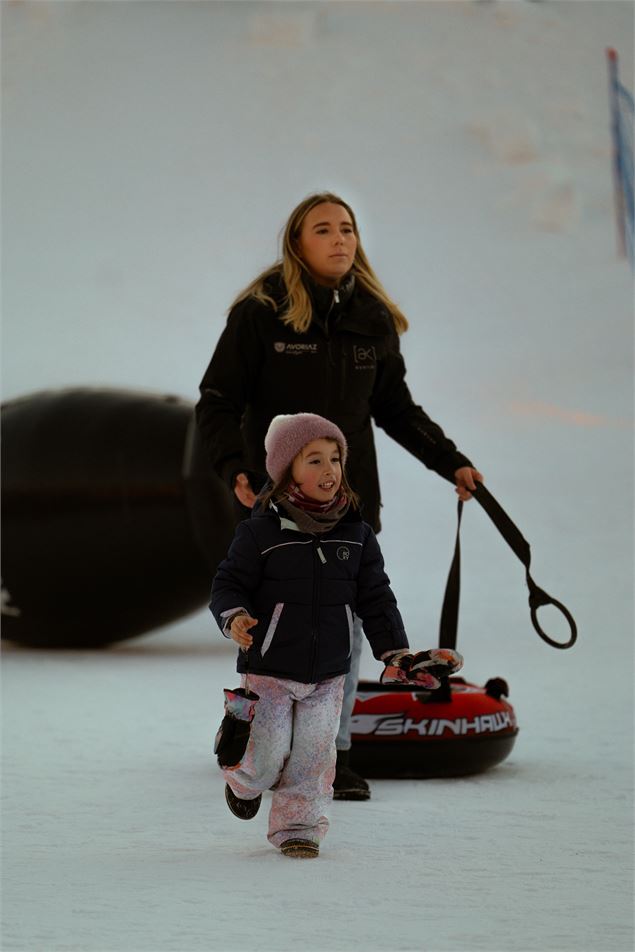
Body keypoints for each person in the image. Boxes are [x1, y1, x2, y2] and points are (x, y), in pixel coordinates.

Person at [196, 191, 483, 800]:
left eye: (348, 228)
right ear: (297, 243)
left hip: (349, 503)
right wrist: (235, 469)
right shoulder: (261, 314)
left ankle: (333, 754)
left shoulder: (370, 317)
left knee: (344, 624)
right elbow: (217, 401)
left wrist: (450, 462)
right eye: (323, 229)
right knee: (274, 621)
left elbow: (396, 409)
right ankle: (256, 734)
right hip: (274, 504)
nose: (340, 239)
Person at [210, 412, 463, 858]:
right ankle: (242, 775)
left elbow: (377, 599)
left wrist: (395, 652)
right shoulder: (259, 533)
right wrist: (235, 617)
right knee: (265, 758)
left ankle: (298, 829)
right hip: (268, 669)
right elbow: (228, 584)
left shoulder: (357, 535)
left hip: (329, 673)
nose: (329, 471)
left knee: (314, 757)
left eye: (335, 459)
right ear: (287, 470)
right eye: (314, 460)